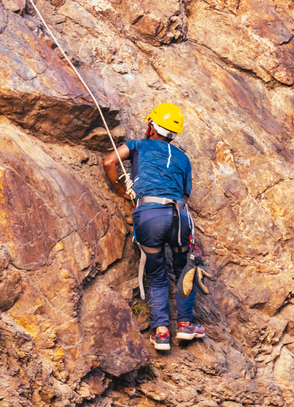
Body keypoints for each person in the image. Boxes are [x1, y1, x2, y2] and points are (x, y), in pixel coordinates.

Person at [103, 103, 205, 351]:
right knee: (184, 271)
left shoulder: (138, 145)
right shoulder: (183, 158)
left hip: (150, 214)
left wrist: (121, 190)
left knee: (157, 274)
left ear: (151, 126)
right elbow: (184, 195)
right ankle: (185, 325)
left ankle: (161, 332)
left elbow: (109, 162)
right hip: (179, 216)